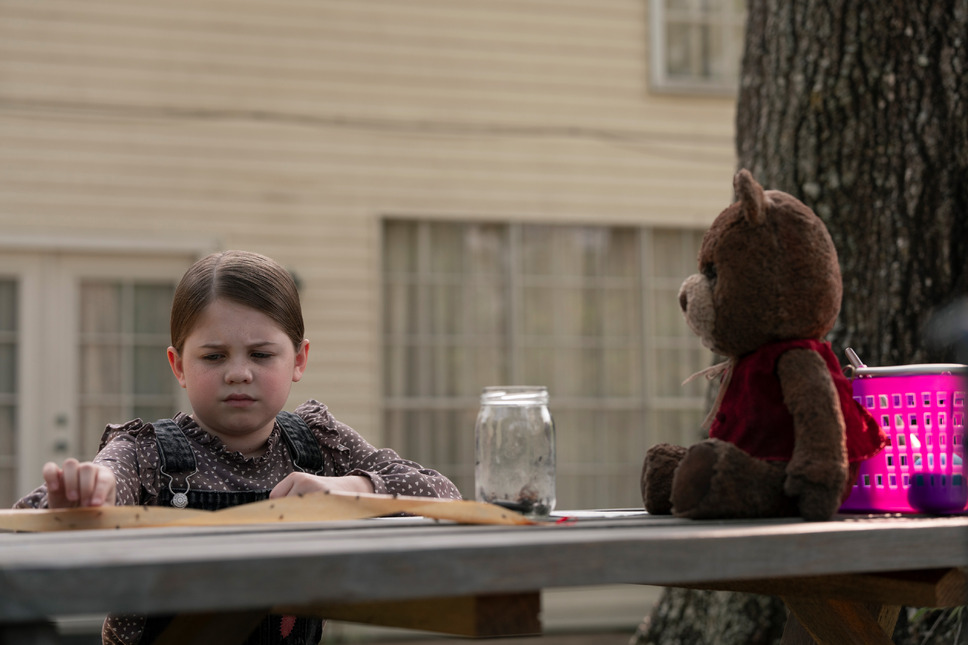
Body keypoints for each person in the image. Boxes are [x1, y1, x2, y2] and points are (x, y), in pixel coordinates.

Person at [15, 249, 461, 645]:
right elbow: (31, 525)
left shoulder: (319, 444)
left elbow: (446, 497)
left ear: (299, 360)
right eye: (214, 356)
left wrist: (351, 489)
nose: (238, 373)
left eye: (261, 355)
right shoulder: (143, 455)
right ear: (178, 365)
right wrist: (78, 502)